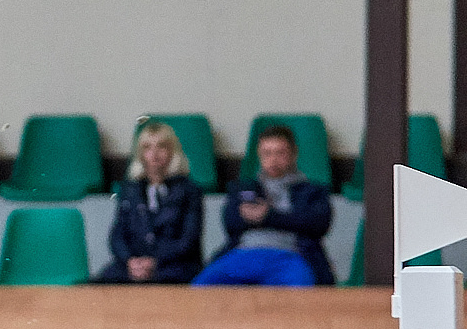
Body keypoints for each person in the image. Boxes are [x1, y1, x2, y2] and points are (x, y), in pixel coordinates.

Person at [192, 123, 332, 287]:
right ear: (259, 155)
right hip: (244, 253)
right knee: (201, 285)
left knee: (302, 288)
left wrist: (268, 216)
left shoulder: (311, 191)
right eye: (267, 153)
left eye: (280, 153)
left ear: (294, 154)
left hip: (290, 256)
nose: (273, 159)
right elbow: (230, 223)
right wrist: (253, 216)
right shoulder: (244, 187)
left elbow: (318, 223)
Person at [96, 120, 204, 283]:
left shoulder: (189, 191)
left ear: (172, 151)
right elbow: (117, 236)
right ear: (140, 154)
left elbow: (188, 241)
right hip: (134, 265)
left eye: (161, 146)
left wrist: (154, 261)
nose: (154, 153)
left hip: (175, 265)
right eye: (147, 147)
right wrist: (130, 260)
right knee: (98, 283)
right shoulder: (130, 190)